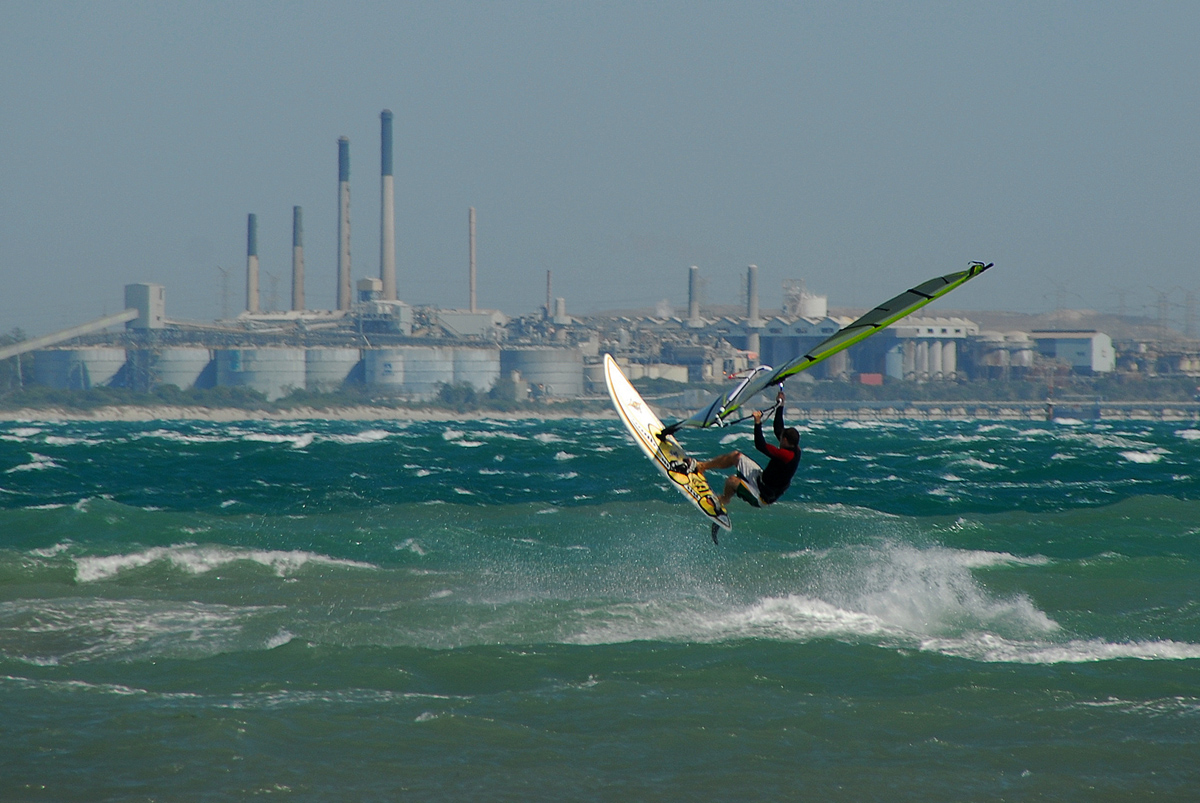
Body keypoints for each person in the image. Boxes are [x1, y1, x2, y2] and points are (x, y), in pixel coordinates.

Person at [683, 388, 801, 509]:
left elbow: (761, 446)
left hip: (762, 495)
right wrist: (780, 406)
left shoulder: (787, 456)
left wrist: (757, 423)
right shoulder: (794, 447)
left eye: (781, 438)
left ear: (785, 440)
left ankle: (723, 500)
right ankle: (702, 466)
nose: (779, 439)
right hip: (760, 478)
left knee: (732, 481)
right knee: (736, 456)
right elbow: (778, 430)